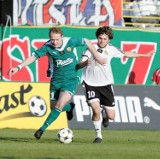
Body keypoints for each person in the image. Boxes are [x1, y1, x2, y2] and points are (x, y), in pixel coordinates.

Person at [8, 27, 106, 140]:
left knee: (59, 105)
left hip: (71, 79)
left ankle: (41, 130)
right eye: (52, 39)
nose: (54, 42)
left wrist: (97, 56)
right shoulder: (47, 46)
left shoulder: (71, 41)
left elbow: (87, 41)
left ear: (62, 37)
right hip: (55, 81)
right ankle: (70, 107)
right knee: (53, 108)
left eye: (57, 39)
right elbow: (33, 57)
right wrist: (18, 67)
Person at [77, 26, 155, 143]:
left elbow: (126, 54)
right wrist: (85, 63)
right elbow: (78, 65)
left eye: (104, 39)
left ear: (109, 40)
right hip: (90, 84)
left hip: (106, 85)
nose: (102, 41)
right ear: (97, 38)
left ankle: (104, 115)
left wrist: (144, 55)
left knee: (111, 116)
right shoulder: (90, 49)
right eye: (100, 38)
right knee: (95, 109)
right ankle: (98, 136)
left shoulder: (112, 49)